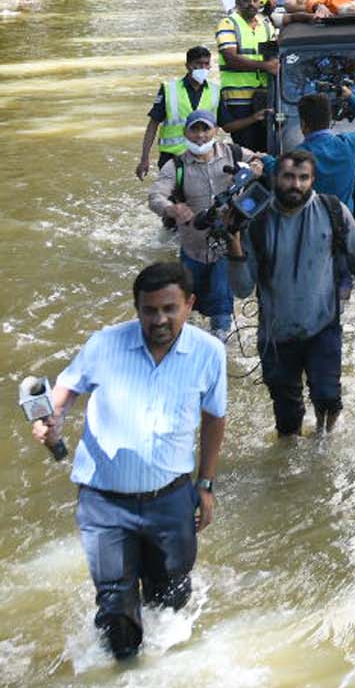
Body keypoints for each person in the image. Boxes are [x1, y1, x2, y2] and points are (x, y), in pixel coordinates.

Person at [30, 261, 226, 661]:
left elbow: (214, 418)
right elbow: (64, 394)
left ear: (189, 304)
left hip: (171, 499)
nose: (159, 320)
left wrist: (205, 486)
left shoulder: (209, 353)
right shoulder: (104, 344)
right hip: (105, 502)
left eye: (169, 309)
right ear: (136, 308)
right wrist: (52, 421)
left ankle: (164, 671)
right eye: (149, 310)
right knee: (116, 609)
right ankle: (124, 674)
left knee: (169, 599)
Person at [226, 151, 355, 436]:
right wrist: (233, 243)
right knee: (287, 418)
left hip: (323, 325)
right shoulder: (257, 221)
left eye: (303, 178)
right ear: (275, 177)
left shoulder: (333, 211)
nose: (296, 185)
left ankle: (323, 445)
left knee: (328, 398)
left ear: (313, 180)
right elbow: (242, 289)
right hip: (276, 335)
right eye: (289, 177)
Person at [148, 111, 264, 337]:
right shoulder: (175, 166)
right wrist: (172, 209)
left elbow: (260, 158)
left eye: (205, 129)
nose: (200, 135)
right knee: (189, 306)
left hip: (226, 248)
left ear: (216, 131)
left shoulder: (234, 152)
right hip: (193, 251)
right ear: (185, 133)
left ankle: (218, 347)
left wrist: (257, 165)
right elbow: (155, 196)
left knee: (221, 307)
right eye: (194, 129)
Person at [137, 45, 221, 179]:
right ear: (188, 66)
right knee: (170, 195)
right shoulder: (169, 90)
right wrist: (144, 158)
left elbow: (225, 124)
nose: (203, 68)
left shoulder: (216, 91)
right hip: (172, 157)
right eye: (198, 64)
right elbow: (153, 124)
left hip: (203, 155)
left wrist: (253, 118)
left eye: (206, 64)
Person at [297, 83, 355, 213]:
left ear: (303, 124)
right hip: (343, 224)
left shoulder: (297, 155)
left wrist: (262, 158)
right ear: (330, 120)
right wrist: (350, 97)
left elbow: (275, 169)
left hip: (312, 226)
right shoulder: (348, 144)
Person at [216, 0, 277, 153]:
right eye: (246, 0)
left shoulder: (266, 24)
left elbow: (273, 56)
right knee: (246, 150)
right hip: (238, 98)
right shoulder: (228, 24)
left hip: (265, 96)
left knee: (268, 147)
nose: (251, 4)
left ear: (260, 2)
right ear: (237, 2)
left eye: (255, 0)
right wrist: (266, 66)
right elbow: (230, 58)